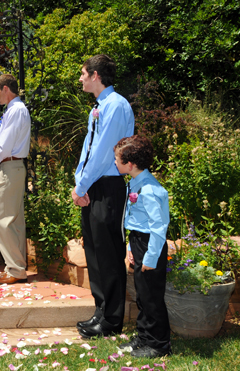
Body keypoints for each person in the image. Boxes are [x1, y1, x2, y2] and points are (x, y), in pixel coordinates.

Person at [72, 54, 135, 338]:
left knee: (109, 253)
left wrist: (82, 186)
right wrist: (79, 182)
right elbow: (88, 148)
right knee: (94, 252)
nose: (81, 78)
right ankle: (100, 311)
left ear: (96, 75)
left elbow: (103, 152)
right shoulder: (98, 107)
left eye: (84, 73)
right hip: (93, 184)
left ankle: (111, 321)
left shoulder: (117, 106)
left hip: (108, 184)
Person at [114, 135, 171, 358]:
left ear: (130, 164)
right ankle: (145, 337)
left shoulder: (150, 190)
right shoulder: (136, 184)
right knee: (142, 295)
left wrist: (150, 257)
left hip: (151, 246)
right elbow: (136, 221)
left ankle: (159, 344)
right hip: (140, 242)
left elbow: (158, 227)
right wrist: (131, 245)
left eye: (117, 160)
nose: (115, 163)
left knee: (151, 296)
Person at [0, 74, 31, 284]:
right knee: (14, 220)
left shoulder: (15, 110)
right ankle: (16, 267)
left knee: (1, 218)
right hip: (14, 166)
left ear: (5, 89)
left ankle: (15, 268)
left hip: (9, 166)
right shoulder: (16, 110)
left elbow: (4, 145)